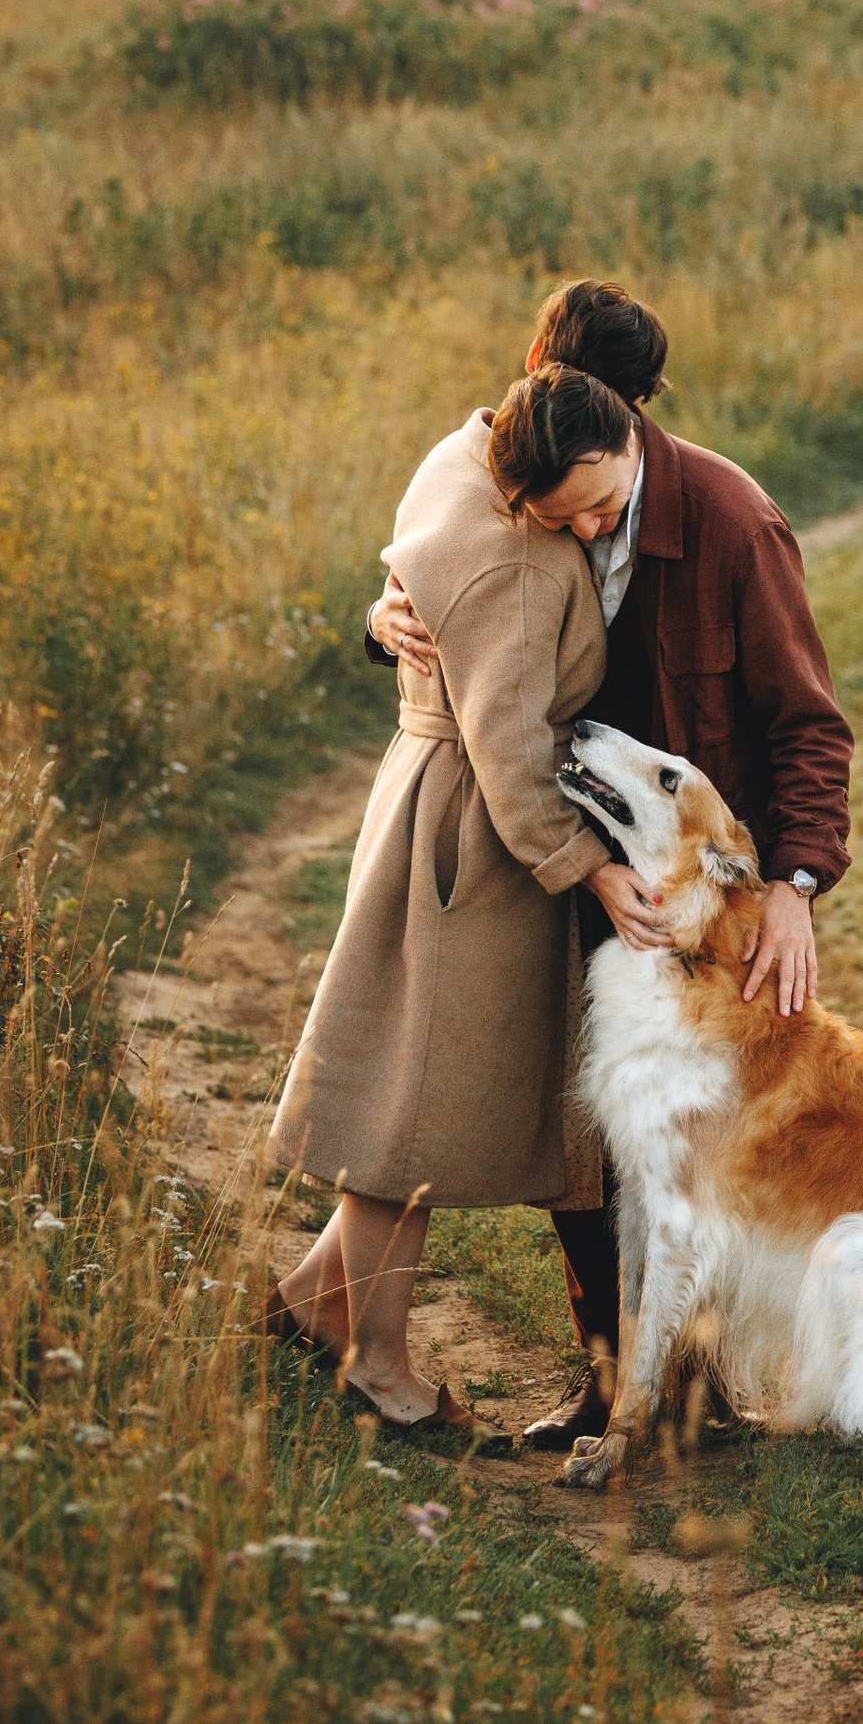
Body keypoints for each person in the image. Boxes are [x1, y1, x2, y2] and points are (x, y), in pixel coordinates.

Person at [373, 277, 853, 1450]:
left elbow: (809, 726)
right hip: (570, 862)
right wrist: (380, 614)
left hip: (696, 897)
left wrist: (791, 891)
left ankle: (698, 1393)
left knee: (705, 1138)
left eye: (598, 507)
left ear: (630, 418)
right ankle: (611, 1381)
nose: (580, 527)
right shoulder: (525, 482)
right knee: (583, 1144)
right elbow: (462, 604)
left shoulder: (734, 525)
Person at [268, 364, 669, 1428]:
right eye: (573, 509)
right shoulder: (523, 571)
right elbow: (512, 758)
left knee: (411, 1089)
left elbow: (419, 575)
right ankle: (379, 1366)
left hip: (420, 797)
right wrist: (592, 866)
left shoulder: (459, 453)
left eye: (606, 498)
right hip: (472, 846)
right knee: (411, 1115)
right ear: (524, 488)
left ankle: (319, 1298)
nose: (594, 526)